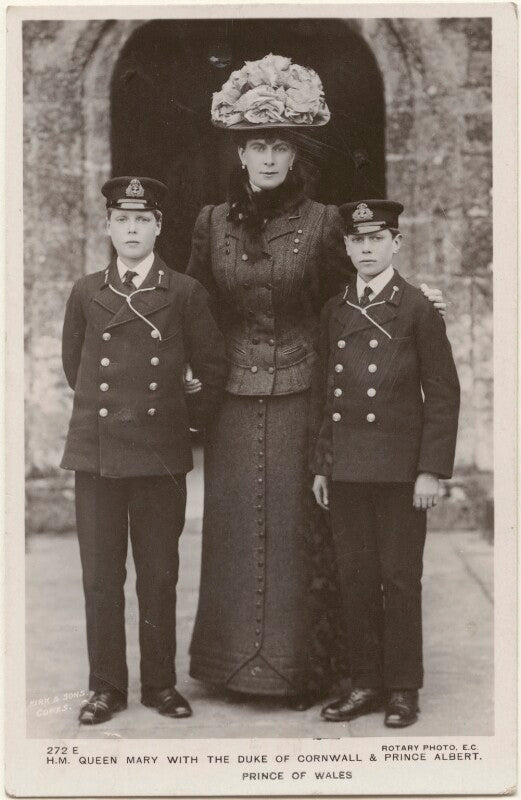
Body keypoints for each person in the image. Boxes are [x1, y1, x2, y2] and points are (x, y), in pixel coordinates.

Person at [186, 55, 446, 709]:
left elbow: (352, 304)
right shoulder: (210, 222)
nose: (267, 158)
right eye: (256, 145)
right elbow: (194, 309)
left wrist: (422, 300)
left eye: (279, 145)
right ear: (240, 152)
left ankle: (311, 666)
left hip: (305, 394)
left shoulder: (327, 223)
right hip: (233, 407)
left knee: (305, 534)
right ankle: (228, 664)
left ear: (295, 153)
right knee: (235, 529)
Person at [60, 176, 227, 724]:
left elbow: (212, 371)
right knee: (100, 577)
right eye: (122, 220)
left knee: (158, 574)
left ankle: (160, 685)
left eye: (142, 220)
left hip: (159, 455)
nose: (131, 229)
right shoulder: (87, 292)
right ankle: (105, 688)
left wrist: (182, 426)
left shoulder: (183, 292)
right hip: (98, 454)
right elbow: (73, 366)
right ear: (109, 227)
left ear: (158, 227)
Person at [311, 199, 460, 727]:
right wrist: (323, 464)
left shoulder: (418, 307)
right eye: (358, 240)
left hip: (400, 472)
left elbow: (442, 393)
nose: (368, 248)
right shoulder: (335, 310)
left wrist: (431, 470)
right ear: (347, 247)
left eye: (378, 239)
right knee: (355, 578)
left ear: (397, 243)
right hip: (348, 469)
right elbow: (326, 395)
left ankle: (402, 688)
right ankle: (365, 684)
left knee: (399, 579)